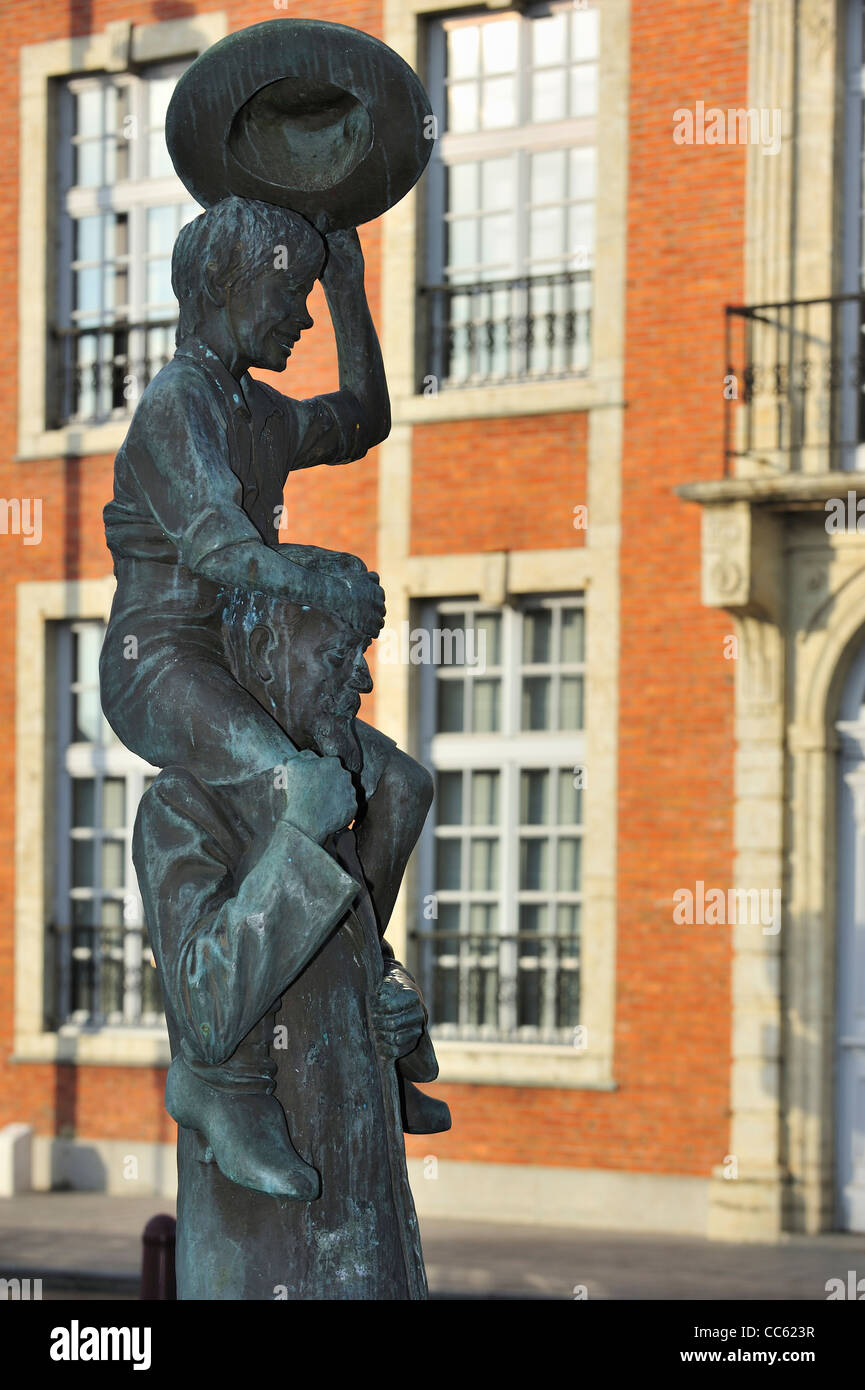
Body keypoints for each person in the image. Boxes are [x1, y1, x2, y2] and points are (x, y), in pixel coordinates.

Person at [133, 578, 448, 1298]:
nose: (362, 677)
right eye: (339, 655)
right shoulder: (184, 806)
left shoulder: (339, 792)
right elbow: (206, 1004)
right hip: (268, 1238)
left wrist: (395, 1000)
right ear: (270, 654)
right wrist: (301, 836)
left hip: (363, 1198)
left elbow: (364, 957)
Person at [100, 194, 387, 786]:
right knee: (308, 791)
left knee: (403, 788)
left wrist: (348, 289)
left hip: (247, 656)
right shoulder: (178, 400)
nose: (305, 318)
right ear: (223, 284)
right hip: (164, 664)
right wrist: (334, 594)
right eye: (291, 292)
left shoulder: (260, 412)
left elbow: (366, 419)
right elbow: (222, 552)